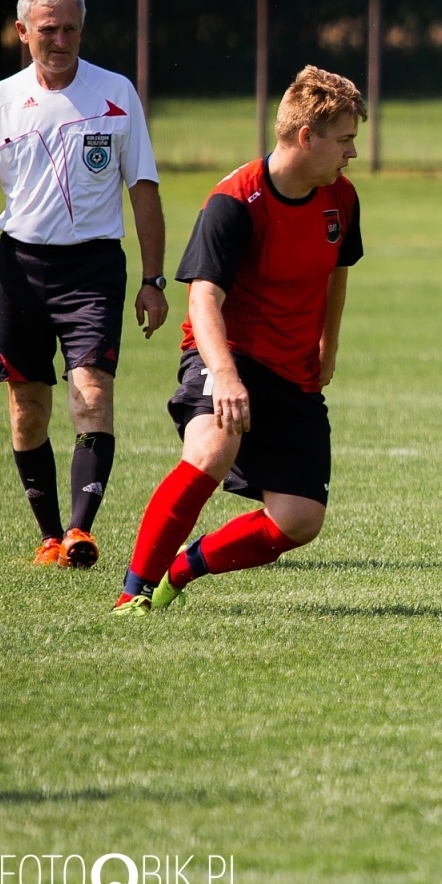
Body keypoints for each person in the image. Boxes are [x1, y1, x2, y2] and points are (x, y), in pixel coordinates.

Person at [110, 66, 364, 615]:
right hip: (227, 353)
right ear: (306, 137)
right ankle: (133, 593)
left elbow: (337, 269)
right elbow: (203, 298)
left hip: (292, 369)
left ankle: (182, 567)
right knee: (211, 449)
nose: (352, 153)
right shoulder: (235, 200)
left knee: (299, 521)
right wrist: (223, 374)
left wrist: (329, 344)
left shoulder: (340, 198)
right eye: (344, 140)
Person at [0, 0, 168, 569]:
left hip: (91, 268)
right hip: (17, 267)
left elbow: (142, 187)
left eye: (70, 29)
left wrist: (153, 278)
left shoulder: (115, 92)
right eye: (48, 29)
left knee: (91, 393)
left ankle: (79, 530)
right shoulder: (0, 100)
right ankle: (48, 536)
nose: (61, 39)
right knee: (27, 406)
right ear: (23, 32)